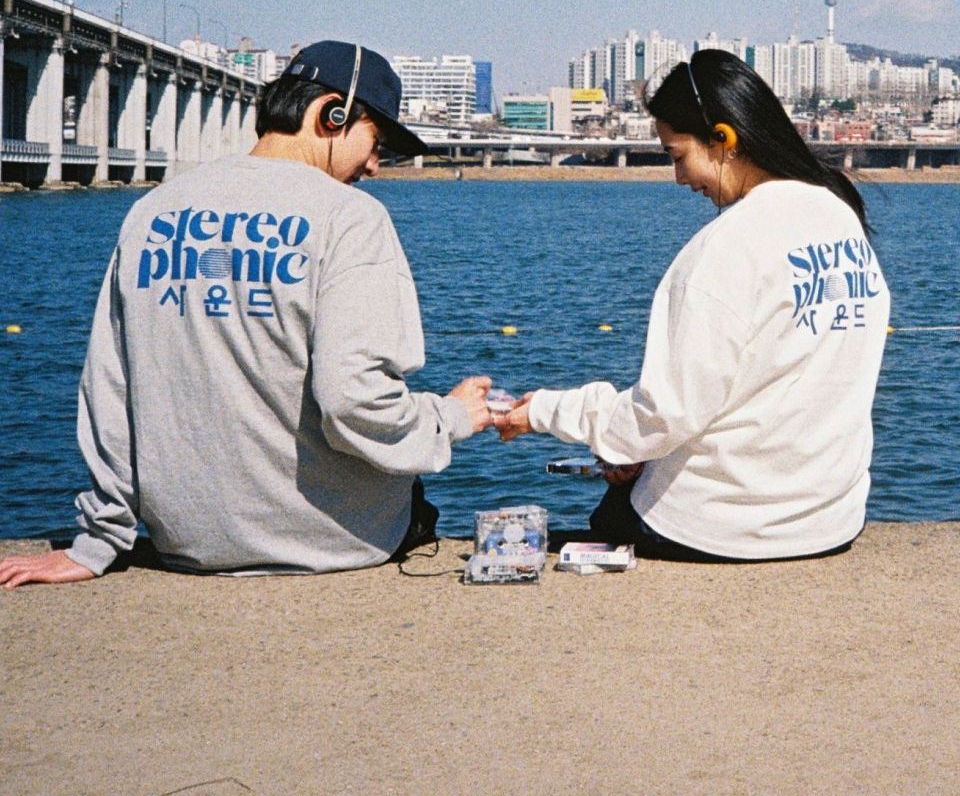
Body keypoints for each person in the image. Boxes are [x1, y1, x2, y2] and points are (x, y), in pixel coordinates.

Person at [0, 40, 492, 588]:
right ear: (331, 113)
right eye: (376, 142)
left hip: (188, 543)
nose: (375, 166)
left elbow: (109, 389)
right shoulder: (351, 217)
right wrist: (452, 417)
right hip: (335, 540)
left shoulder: (153, 210)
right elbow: (356, 399)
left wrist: (97, 542)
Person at [496, 49, 890, 562]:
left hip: (724, 526)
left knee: (614, 508)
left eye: (677, 155)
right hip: (829, 520)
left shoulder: (727, 246)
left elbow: (664, 413)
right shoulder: (840, 218)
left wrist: (544, 411)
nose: (679, 178)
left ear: (723, 139)